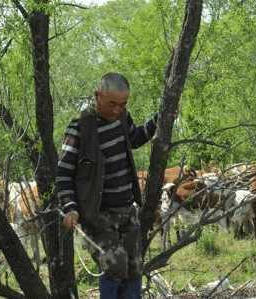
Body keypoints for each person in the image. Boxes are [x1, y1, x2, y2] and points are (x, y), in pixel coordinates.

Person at [56, 72, 157, 299]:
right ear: (97, 96)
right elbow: (63, 173)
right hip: (97, 215)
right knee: (114, 267)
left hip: (127, 211)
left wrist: (160, 119)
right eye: (112, 103)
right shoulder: (80, 128)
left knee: (133, 268)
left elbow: (136, 138)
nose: (117, 110)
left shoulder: (122, 118)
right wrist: (70, 207)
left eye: (122, 104)